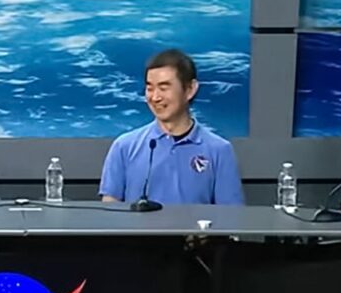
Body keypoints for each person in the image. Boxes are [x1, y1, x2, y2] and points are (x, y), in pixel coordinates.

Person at [99, 49, 244, 205]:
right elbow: (110, 210)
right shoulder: (124, 147)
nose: (155, 97)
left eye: (163, 88)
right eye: (150, 88)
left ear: (190, 89)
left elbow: (231, 216)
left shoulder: (219, 150)